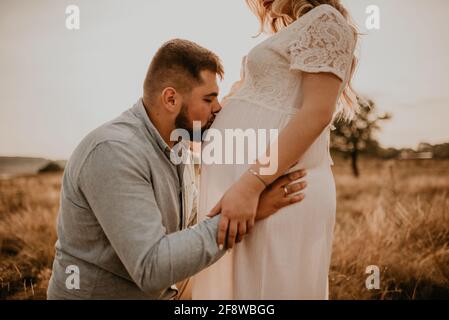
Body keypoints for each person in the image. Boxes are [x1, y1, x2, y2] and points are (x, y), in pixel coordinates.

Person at [46, 39, 307, 300]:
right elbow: (152, 269)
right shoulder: (113, 152)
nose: (217, 108)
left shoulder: (179, 146)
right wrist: (239, 217)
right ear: (171, 99)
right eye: (208, 98)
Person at [192, 0, 358, 299]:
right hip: (250, 191)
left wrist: (251, 183)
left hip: (275, 189)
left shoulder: (325, 20)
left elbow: (317, 113)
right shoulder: (291, 32)